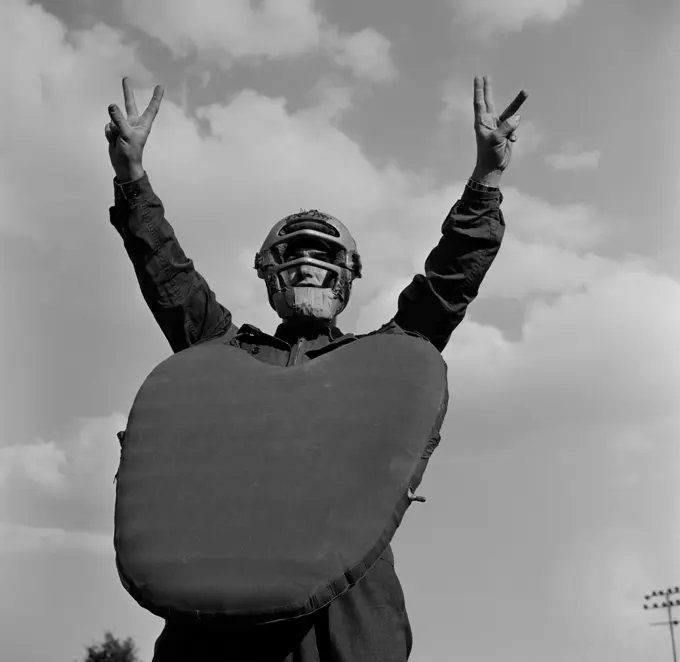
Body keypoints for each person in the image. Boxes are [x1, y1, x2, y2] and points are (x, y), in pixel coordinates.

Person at [106, 75, 527, 661]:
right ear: (267, 272)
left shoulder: (386, 361)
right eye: (293, 254)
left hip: (347, 624)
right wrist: (132, 180)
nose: (308, 265)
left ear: (351, 275)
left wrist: (485, 181)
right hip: (220, 625)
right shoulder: (221, 354)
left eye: (326, 256)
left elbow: (449, 282)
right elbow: (168, 276)